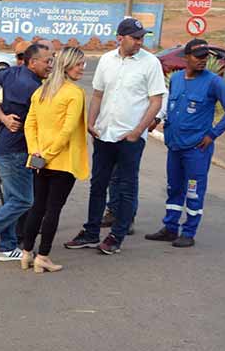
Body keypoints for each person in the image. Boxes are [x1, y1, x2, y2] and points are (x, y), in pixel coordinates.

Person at [64, 18, 166, 255]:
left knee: (126, 187)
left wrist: (138, 131)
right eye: (135, 37)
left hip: (130, 138)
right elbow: (98, 94)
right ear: (120, 38)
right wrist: (91, 123)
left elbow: (156, 101)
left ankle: (117, 236)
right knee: (98, 185)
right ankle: (91, 232)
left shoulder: (150, 63)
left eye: (142, 37)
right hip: (104, 134)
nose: (140, 42)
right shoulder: (106, 60)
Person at [144, 39, 225, 248]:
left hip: (197, 148)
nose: (203, 60)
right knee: (174, 188)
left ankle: (188, 232)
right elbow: (170, 105)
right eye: (198, 57)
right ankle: (170, 228)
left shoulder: (214, 82)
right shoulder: (176, 79)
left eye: (206, 56)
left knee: (194, 191)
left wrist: (213, 134)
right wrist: (158, 121)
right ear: (186, 57)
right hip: (175, 146)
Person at [0, 42, 52, 261]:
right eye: (47, 61)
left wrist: (5, 117)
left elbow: (0, 77)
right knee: (24, 201)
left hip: (7, 148)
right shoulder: (32, 88)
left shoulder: (10, 74)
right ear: (32, 62)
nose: (50, 65)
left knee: (14, 199)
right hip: (15, 150)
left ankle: (7, 247)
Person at [20, 47, 90, 273]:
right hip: (63, 161)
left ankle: (26, 252)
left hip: (39, 160)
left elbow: (30, 124)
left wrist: (36, 152)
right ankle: (43, 256)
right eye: (79, 64)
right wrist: (49, 154)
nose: (82, 69)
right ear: (68, 66)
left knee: (37, 206)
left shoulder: (41, 91)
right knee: (53, 209)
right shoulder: (74, 93)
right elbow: (68, 130)